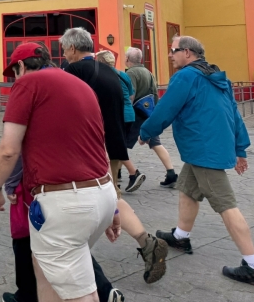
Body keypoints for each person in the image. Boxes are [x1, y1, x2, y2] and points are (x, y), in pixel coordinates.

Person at [0, 42, 120, 302]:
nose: (15, 78)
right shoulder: (80, 86)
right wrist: (116, 207)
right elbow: (100, 147)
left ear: (21, 66)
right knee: (46, 268)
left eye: (15, 72)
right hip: (102, 192)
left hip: (64, 203)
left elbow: (9, 149)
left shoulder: (28, 84)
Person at [142, 36, 254, 287]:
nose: (170, 55)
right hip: (206, 148)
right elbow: (233, 113)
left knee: (226, 205)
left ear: (187, 53)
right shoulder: (218, 77)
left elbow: (167, 108)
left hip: (203, 150)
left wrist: (147, 132)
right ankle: (181, 236)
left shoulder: (185, 77)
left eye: (173, 51)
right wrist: (240, 148)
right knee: (187, 189)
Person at [61, 28, 168, 285]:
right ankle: (146, 241)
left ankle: (83, 265)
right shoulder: (111, 72)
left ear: (73, 49)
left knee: (96, 200)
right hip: (114, 145)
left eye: (65, 50)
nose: (64, 55)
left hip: (89, 148)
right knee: (112, 195)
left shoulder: (73, 73)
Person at [125, 47, 178, 187]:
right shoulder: (148, 72)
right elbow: (155, 94)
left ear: (127, 59)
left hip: (136, 115)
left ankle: (122, 174)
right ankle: (171, 172)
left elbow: (131, 95)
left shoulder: (131, 73)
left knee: (122, 145)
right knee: (155, 143)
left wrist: (126, 111)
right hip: (148, 113)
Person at [95, 50, 146, 193]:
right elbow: (131, 95)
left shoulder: (103, 76)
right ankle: (118, 177)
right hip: (129, 114)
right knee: (119, 146)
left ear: (101, 62)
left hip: (117, 115)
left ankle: (125, 177)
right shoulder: (123, 74)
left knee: (114, 148)